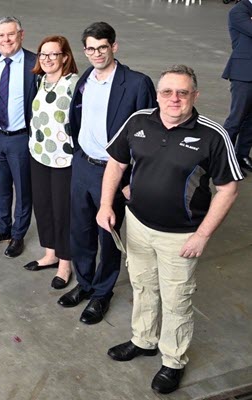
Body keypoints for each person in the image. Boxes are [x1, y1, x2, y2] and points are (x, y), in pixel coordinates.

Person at [98, 65, 243, 395]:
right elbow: (117, 163)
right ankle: (144, 340)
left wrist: (202, 235)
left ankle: (173, 360)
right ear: (158, 94)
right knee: (143, 285)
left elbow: (228, 189)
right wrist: (107, 205)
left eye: (182, 92)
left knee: (177, 300)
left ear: (195, 95)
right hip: (137, 225)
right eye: (167, 91)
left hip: (180, 236)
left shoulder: (212, 135)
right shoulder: (138, 122)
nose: (173, 98)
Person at [58, 22, 155, 325]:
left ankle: (102, 293)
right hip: (83, 165)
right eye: (90, 48)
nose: (97, 53)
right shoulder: (86, 77)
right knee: (81, 231)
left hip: (113, 172)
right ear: (85, 50)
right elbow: (77, 114)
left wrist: (130, 180)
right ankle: (85, 284)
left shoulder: (137, 84)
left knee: (107, 235)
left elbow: (148, 136)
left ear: (114, 46)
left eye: (102, 47)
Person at [0, 16, 37, 259]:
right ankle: (3, 228)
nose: (6, 40)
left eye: (11, 34)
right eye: (1, 35)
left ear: (21, 35)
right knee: (1, 188)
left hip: (21, 138)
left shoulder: (34, 63)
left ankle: (18, 235)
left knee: (23, 190)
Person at [23, 35, 79, 290]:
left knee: (62, 211)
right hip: (38, 154)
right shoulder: (40, 80)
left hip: (64, 159)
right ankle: (50, 253)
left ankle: (65, 264)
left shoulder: (74, 84)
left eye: (53, 54)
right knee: (43, 206)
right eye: (43, 55)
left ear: (65, 57)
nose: (46, 59)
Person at [222, 0, 252, 173]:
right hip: (243, 73)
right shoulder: (238, 11)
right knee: (236, 119)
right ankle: (223, 157)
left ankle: (242, 155)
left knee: (251, 121)